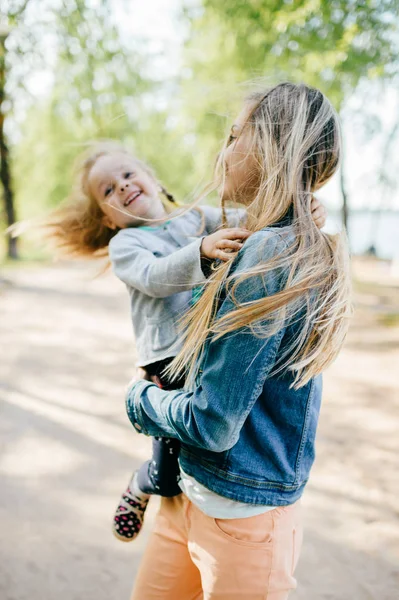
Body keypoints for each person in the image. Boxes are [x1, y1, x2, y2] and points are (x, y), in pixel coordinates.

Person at [125, 82, 352, 600]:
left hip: (242, 521)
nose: (221, 152)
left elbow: (212, 421)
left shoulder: (271, 258)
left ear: (273, 146)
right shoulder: (266, 240)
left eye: (233, 135)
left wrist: (138, 401)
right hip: (189, 496)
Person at [45, 141, 325, 543]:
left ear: (153, 179)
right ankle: (143, 482)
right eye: (108, 191)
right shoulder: (127, 244)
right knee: (168, 470)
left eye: (127, 175)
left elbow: (253, 222)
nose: (122, 187)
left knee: (209, 437)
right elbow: (155, 277)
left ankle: (206, 504)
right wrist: (202, 253)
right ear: (107, 219)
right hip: (168, 362)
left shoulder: (196, 218)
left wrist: (302, 212)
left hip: (203, 351)